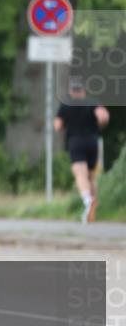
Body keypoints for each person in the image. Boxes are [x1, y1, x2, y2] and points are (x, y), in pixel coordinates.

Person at [54, 79, 110, 223]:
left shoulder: (66, 104)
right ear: (83, 91)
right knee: (91, 177)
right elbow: (103, 117)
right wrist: (100, 125)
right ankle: (93, 210)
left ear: (72, 91)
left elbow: (57, 125)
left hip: (76, 142)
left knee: (80, 174)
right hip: (92, 141)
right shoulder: (92, 102)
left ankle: (87, 201)